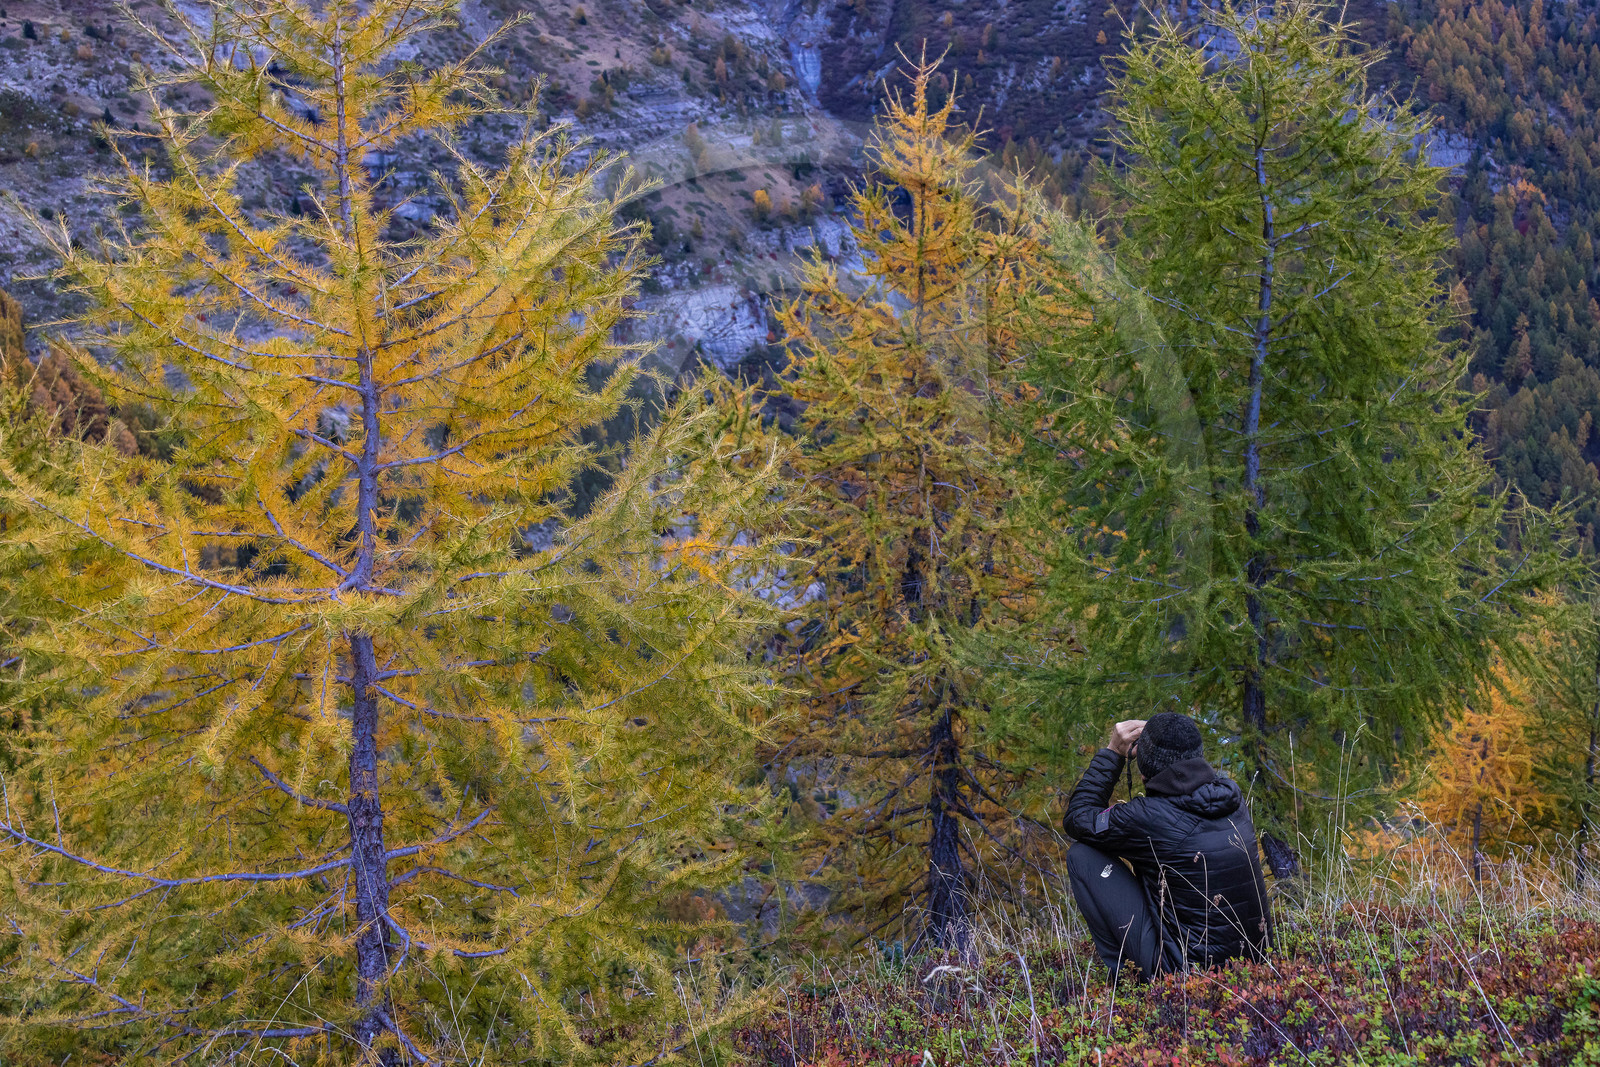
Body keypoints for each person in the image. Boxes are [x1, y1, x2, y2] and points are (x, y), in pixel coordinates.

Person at [1063, 711, 1274, 982]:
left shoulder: (1148, 817)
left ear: (1144, 771)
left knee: (1082, 855)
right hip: (1257, 964)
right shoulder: (1232, 798)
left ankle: (1127, 980)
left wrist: (1114, 752)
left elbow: (1078, 817)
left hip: (1185, 976)